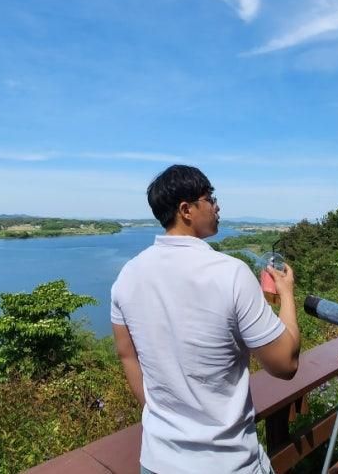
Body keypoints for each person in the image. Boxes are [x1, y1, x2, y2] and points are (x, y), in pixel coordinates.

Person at [111, 165, 301, 474]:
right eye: (209, 197)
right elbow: (285, 364)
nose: (217, 205)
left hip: (157, 461)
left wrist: (164, 416)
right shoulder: (230, 273)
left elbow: (126, 355)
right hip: (227, 463)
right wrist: (288, 294)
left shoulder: (128, 275)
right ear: (186, 210)